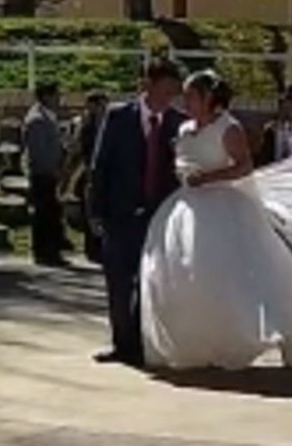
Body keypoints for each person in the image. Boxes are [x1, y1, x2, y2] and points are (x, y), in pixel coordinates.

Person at [141, 70, 292, 369]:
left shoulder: (228, 128)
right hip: (186, 208)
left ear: (208, 98)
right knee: (185, 272)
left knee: (240, 274)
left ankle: (274, 336)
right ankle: (199, 342)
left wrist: (208, 177)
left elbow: (244, 166)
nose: (185, 101)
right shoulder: (185, 127)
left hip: (223, 206)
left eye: (192, 95)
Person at [88, 59, 185, 367]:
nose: (169, 97)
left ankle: (142, 343)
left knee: (149, 282)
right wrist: (95, 210)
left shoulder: (178, 123)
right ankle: (121, 344)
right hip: (120, 213)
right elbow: (100, 166)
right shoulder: (118, 118)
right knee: (118, 282)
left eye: (174, 91)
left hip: (159, 216)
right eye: (165, 89)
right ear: (149, 85)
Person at [24, 82, 69, 267]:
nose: (59, 99)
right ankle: (44, 252)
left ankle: (53, 250)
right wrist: (53, 170)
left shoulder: (48, 117)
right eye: (56, 95)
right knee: (44, 215)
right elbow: (38, 152)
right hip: (43, 175)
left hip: (51, 174)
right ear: (46, 96)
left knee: (52, 214)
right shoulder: (37, 120)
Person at [77, 91, 109, 264]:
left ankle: (100, 247)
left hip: (103, 173)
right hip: (90, 171)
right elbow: (84, 147)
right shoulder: (86, 124)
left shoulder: (107, 122)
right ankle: (92, 249)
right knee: (90, 210)